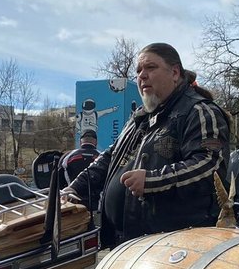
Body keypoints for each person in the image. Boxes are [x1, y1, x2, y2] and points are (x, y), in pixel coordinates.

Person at [64, 43, 230, 247]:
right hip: (125, 243)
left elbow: (209, 165)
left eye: (150, 68)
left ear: (175, 73)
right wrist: (75, 188)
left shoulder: (200, 111)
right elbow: (109, 158)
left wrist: (152, 180)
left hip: (175, 246)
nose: (142, 75)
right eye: (138, 70)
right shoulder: (139, 118)